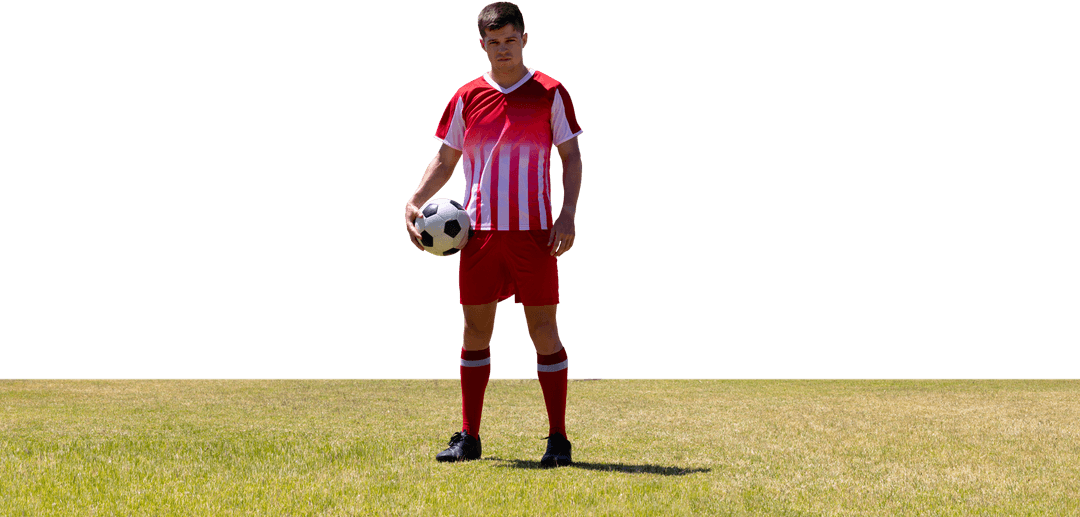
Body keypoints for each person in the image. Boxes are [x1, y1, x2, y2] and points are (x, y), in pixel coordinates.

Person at [404, 1, 584, 467]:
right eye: (493, 42)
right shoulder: (466, 96)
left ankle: (558, 440)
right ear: (481, 45)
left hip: (534, 234)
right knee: (475, 329)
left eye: (510, 40)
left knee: (543, 331)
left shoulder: (551, 92)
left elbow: (572, 157)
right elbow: (446, 161)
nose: (502, 49)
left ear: (525, 39)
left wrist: (567, 213)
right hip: (478, 233)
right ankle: (469, 437)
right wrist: (415, 199)